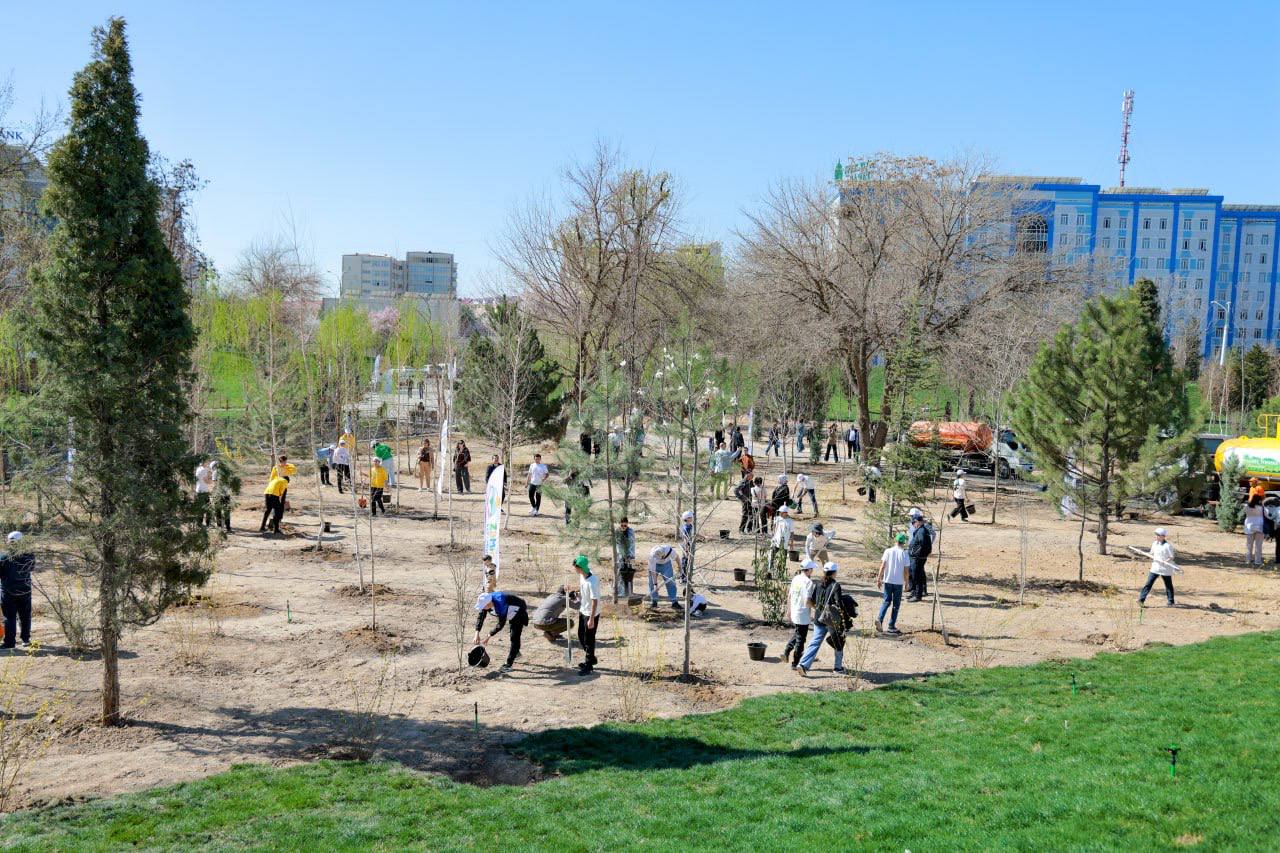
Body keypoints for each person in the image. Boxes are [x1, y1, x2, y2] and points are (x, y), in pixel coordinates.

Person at [797, 562, 848, 675]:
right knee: (838, 642)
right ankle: (838, 668)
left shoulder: (818, 584)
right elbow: (839, 603)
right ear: (834, 572)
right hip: (831, 620)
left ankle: (803, 664)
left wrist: (819, 609)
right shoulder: (836, 585)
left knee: (815, 642)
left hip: (819, 618)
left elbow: (813, 601)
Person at [474, 590, 529, 672]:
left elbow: (500, 625)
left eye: (483, 606)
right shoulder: (487, 599)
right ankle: (515, 652)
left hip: (519, 612)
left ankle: (508, 665)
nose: (482, 608)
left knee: (514, 637)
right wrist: (476, 633)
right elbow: (481, 617)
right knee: (513, 638)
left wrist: (488, 636)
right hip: (510, 612)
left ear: (489, 604)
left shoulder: (501, 604)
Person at [1, 532, 33, 649]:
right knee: (25, 616)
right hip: (25, 591)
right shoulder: (29, 555)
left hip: (8, 592)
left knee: (9, 617)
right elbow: (31, 568)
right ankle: (26, 639)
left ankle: (10, 643)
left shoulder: (3, 556)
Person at [782, 559, 817, 668]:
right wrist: (816, 607)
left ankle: (786, 651)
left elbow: (790, 595)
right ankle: (795, 662)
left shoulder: (796, 578)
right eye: (812, 569)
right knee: (801, 640)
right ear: (809, 570)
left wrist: (788, 610)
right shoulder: (809, 583)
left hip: (794, 611)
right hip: (802, 614)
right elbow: (807, 601)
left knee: (798, 633)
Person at [876, 533, 910, 634]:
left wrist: (879, 578)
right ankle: (891, 626)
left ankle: (879, 619)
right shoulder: (904, 554)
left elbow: (882, 566)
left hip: (887, 581)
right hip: (898, 582)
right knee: (896, 604)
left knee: (886, 601)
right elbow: (906, 571)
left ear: (895, 541)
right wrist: (907, 583)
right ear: (903, 543)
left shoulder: (888, 551)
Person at [573, 555, 600, 675]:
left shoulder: (592, 582)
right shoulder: (582, 575)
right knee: (580, 635)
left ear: (581, 568)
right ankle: (592, 658)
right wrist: (575, 592)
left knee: (589, 640)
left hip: (591, 614)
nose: (575, 569)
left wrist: (591, 619)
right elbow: (581, 588)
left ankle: (588, 665)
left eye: (576, 567)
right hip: (583, 610)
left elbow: (595, 601)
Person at [1138, 528, 1178, 607]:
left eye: (1158, 535)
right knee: (1148, 583)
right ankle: (1141, 600)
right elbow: (1151, 553)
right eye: (1156, 535)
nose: (1156, 536)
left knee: (1168, 585)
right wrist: (1142, 552)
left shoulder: (1168, 546)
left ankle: (1171, 601)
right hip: (1155, 567)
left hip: (1165, 569)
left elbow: (1171, 556)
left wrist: (1166, 561)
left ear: (1163, 536)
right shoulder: (1154, 544)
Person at [907, 511, 933, 602]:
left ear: (918, 522)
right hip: (917, 557)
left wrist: (915, 553)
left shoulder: (921, 531)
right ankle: (914, 592)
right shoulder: (921, 530)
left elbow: (922, 544)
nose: (913, 524)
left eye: (913, 522)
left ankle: (918, 595)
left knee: (917, 576)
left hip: (917, 558)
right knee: (914, 575)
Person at [647, 543, 680, 608]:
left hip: (666, 565)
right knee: (651, 584)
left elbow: (677, 558)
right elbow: (653, 571)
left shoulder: (668, 549)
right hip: (655, 565)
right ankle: (654, 601)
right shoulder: (652, 556)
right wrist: (655, 585)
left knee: (670, 582)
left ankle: (674, 602)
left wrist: (680, 567)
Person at [615, 517, 637, 596]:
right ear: (619, 524)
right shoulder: (617, 532)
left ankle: (629, 591)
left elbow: (632, 544)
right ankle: (621, 592)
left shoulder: (631, 531)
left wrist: (630, 556)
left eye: (625, 525)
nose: (624, 527)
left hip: (630, 556)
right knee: (620, 573)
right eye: (622, 525)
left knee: (630, 573)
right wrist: (623, 555)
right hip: (620, 556)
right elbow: (618, 545)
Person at [770, 505, 794, 575]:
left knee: (783, 558)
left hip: (784, 543)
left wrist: (791, 543)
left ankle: (781, 572)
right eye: (779, 512)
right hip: (776, 541)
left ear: (785, 513)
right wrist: (772, 537)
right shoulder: (777, 519)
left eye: (781, 512)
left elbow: (792, 532)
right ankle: (770, 570)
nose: (779, 513)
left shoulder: (790, 521)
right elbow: (773, 529)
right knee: (772, 556)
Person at [1244, 493, 1266, 566]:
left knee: (1249, 545)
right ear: (1259, 500)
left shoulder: (1247, 507)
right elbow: (1267, 515)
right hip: (1259, 526)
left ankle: (1248, 560)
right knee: (1258, 545)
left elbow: (1245, 514)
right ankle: (1257, 561)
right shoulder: (1261, 507)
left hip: (1249, 525)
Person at [194, 458, 214, 526]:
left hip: (199, 490)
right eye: (207, 461)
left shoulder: (198, 469)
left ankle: (199, 524)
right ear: (204, 462)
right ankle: (207, 524)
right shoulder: (203, 470)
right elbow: (207, 482)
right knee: (208, 508)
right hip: (203, 491)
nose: (208, 462)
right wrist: (211, 479)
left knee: (201, 508)